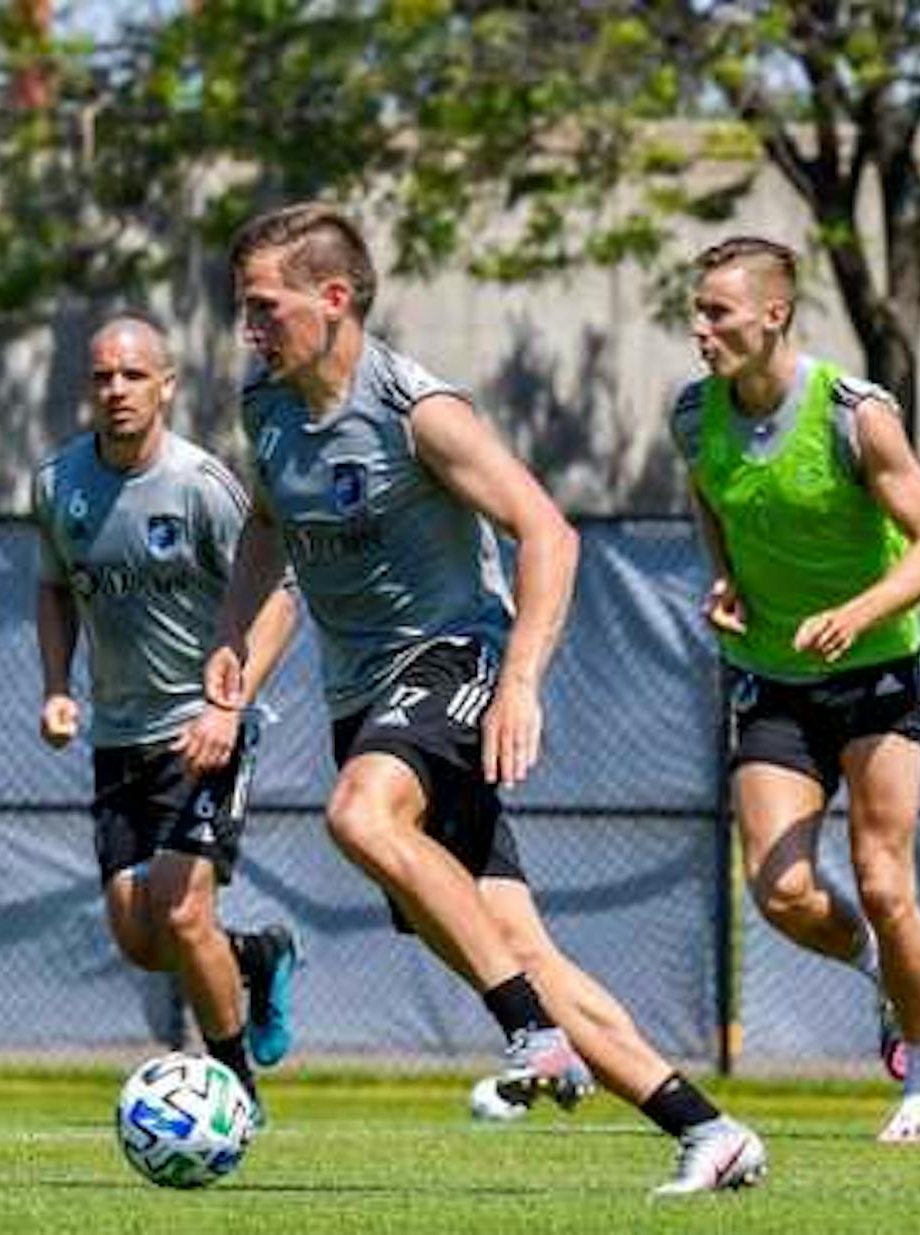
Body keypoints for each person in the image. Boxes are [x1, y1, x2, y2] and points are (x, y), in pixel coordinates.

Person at [207, 202, 767, 1196]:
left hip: (455, 654)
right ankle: (707, 1126)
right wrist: (231, 647)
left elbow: (549, 531)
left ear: (334, 300)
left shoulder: (417, 409)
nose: (249, 326)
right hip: (362, 696)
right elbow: (264, 527)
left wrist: (518, 684)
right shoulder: (268, 407)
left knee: (358, 812)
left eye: (265, 305)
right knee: (515, 943)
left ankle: (527, 1031)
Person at [672, 236, 920, 1144]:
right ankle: (884, 966)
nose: (701, 328)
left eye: (717, 311)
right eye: (697, 309)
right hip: (772, 675)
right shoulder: (693, 415)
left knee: (883, 879)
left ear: (774, 314)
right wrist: (724, 578)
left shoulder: (854, 414)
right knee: (782, 891)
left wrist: (857, 609)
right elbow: (711, 501)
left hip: (874, 668)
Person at [31, 312, 303, 1113]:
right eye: (102, 377)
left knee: (183, 912)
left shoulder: (203, 485)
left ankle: (232, 1091)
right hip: (118, 739)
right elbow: (52, 587)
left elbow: (282, 597)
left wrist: (230, 704)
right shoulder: (58, 484)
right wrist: (56, 684)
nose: (116, 390)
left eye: (133, 375)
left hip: (204, 733)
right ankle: (257, 952)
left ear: (167, 386)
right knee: (142, 939)